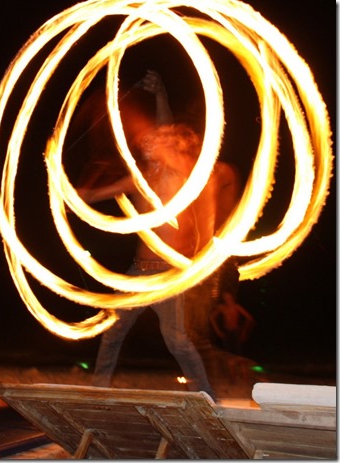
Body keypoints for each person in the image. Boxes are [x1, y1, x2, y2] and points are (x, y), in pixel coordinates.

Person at [77, 71, 219, 400]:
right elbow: (94, 195)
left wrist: (160, 95)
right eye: (147, 141)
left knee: (178, 342)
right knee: (113, 332)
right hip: (138, 272)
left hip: (166, 276)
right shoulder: (138, 180)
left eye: (157, 139)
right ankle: (98, 391)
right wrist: (70, 192)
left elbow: (166, 126)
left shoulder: (175, 174)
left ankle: (208, 395)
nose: (151, 141)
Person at [210, 290, 255, 355]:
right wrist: (218, 331)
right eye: (225, 297)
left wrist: (244, 332)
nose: (227, 299)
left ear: (232, 297)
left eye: (228, 297)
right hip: (226, 332)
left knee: (238, 352)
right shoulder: (222, 307)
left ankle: (239, 364)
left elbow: (250, 318)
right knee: (228, 352)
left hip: (236, 332)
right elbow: (211, 317)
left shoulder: (237, 307)